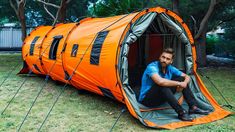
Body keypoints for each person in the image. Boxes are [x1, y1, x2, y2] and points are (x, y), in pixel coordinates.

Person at [138, 48, 209, 121]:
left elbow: (187, 77)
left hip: (160, 98)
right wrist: (179, 84)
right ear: (160, 57)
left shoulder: (170, 68)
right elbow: (160, 81)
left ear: (171, 61)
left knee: (181, 79)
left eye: (168, 59)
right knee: (162, 85)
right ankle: (181, 112)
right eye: (163, 57)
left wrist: (184, 83)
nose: (164, 60)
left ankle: (193, 107)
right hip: (147, 100)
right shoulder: (152, 67)